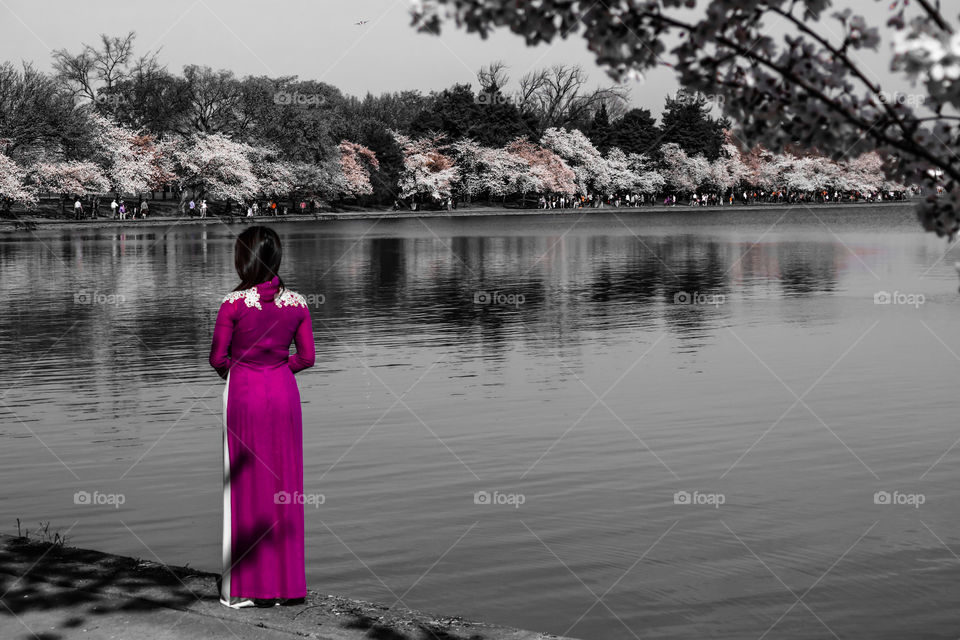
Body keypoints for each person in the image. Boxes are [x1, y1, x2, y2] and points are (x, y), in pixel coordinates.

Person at [209, 226, 315, 609]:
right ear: (277, 258)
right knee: (285, 487)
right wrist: (275, 369)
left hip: (246, 396)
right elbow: (306, 358)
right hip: (284, 395)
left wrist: (247, 373)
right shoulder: (299, 303)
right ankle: (288, 587)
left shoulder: (233, 305)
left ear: (243, 259)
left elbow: (218, 359)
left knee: (246, 486)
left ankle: (252, 588)